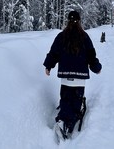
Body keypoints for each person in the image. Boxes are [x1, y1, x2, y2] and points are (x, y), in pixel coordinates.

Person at [43, 10, 102, 139]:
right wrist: (97, 68)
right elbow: (91, 56)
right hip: (80, 77)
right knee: (76, 100)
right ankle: (66, 124)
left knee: (65, 99)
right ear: (79, 21)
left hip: (65, 76)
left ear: (67, 21)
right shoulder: (85, 37)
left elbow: (53, 53)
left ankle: (62, 119)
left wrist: (48, 66)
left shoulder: (61, 36)